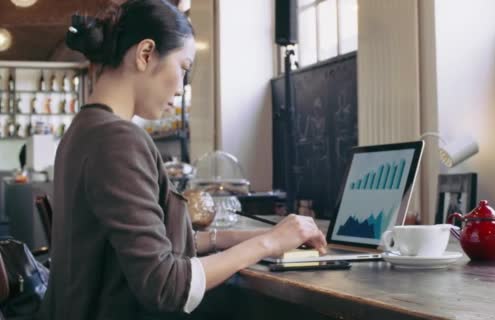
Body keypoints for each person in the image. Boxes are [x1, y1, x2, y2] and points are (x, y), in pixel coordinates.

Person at [37, 1, 327, 319]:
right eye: (183, 68)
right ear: (145, 54)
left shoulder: (83, 130)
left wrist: (256, 236)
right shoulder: (117, 140)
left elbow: (147, 243)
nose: (182, 88)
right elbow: (166, 285)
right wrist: (269, 243)